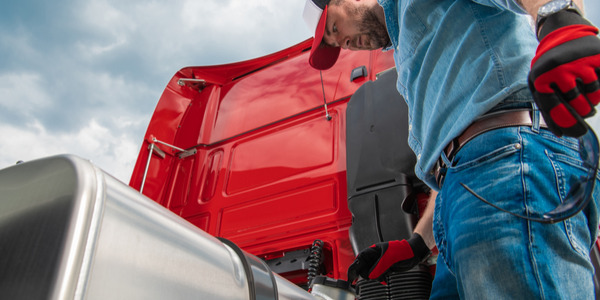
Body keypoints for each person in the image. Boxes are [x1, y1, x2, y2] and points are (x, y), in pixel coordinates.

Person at [302, 0, 600, 298]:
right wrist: (417, 243)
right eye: (338, 44)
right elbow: (451, 153)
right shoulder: (406, 50)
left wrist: (558, 16)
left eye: (336, 28)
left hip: (508, 165)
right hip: (465, 194)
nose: (345, 43)